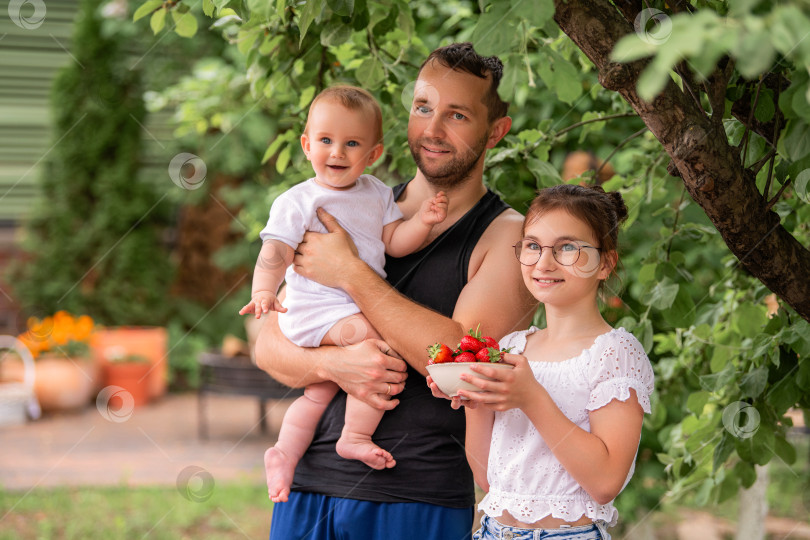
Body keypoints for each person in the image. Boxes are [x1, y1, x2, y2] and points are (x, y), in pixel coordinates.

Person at [254, 42, 538, 540]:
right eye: (423, 108)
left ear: (495, 131)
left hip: (415, 496)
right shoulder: (355, 202)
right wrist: (329, 365)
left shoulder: (506, 236)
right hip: (308, 485)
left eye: (457, 115)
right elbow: (267, 344)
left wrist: (350, 273)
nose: (432, 129)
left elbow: (461, 364)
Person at [239, 85, 449, 502]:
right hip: (315, 309)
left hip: (345, 306)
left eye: (351, 143)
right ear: (306, 145)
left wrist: (422, 222)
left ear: (372, 154)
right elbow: (275, 249)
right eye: (325, 141)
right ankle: (354, 435)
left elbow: (394, 241)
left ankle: (283, 453)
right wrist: (263, 290)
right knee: (381, 347)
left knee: (317, 392)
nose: (336, 152)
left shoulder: (376, 193)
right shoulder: (299, 199)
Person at [428, 184, 655, 540]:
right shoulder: (512, 347)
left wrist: (531, 398)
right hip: (491, 532)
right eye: (533, 245)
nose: (543, 262)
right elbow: (488, 478)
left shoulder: (615, 352)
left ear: (605, 264)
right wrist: (475, 401)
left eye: (566, 247)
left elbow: (605, 483)